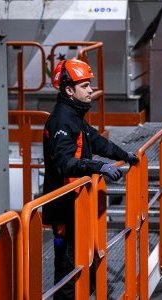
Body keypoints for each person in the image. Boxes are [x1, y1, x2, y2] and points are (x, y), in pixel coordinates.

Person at [43, 59, 139, 299]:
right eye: (85, 86)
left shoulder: (74, 116)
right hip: (65, 205)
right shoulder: (61, 121)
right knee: (67, 265)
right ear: (68, 90)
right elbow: (64, 164)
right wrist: (100, 167)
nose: (90, 90)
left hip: (78, 202)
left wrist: (124, 155)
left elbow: (97, 142)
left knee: (83, 258)